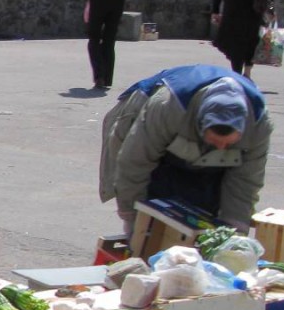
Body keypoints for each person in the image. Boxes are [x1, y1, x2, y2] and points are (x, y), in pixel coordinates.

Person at [100, 64, 271, 230]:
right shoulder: (167, 105)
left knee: (205, 218)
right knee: (155, 219)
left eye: (228, 143)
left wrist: (235, 229)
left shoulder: (258, 125)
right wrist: (133, 218)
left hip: (187, 145)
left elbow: (246, 181)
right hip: (151, 138)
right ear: (201, 125)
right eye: (215, 140)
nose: (221, 147)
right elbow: (135, 163)